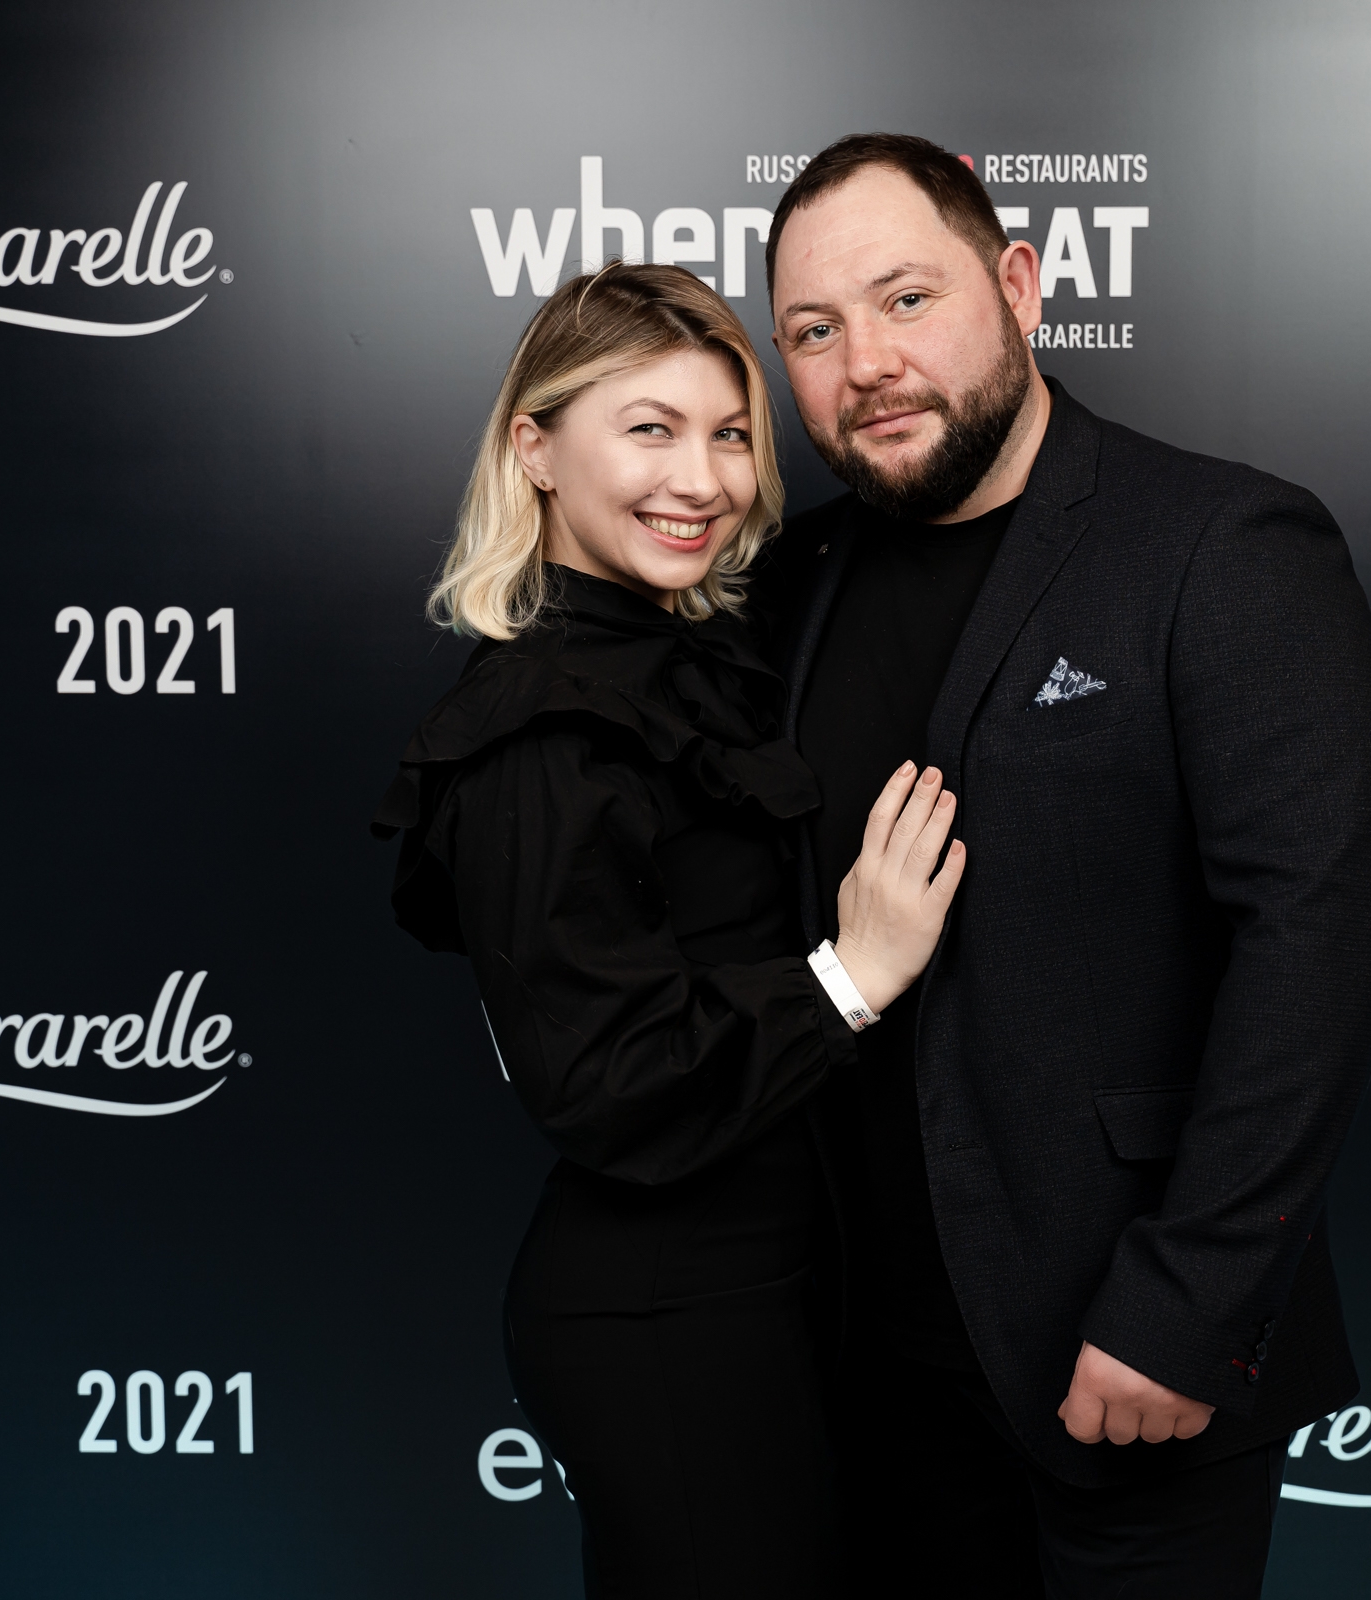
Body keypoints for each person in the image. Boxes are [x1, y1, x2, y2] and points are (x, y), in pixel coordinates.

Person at [752, 135, 1371, 1598]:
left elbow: (1313, 942)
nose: (868, 363)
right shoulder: (790, 582)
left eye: (907, 299)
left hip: (1122, 1359)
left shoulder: (1222, 544)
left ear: (1020, 287)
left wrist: (1188, 1305)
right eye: (814, 330)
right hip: (868, 1375)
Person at [371, 262, 965, 1598]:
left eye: (731, 435)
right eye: (651, 429)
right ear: (535, 448)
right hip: (665, 1311)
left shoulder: (689, 656)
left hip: (771, 1286)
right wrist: (852, 976)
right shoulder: (539, 727)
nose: (702, 480)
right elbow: (604, 1081)